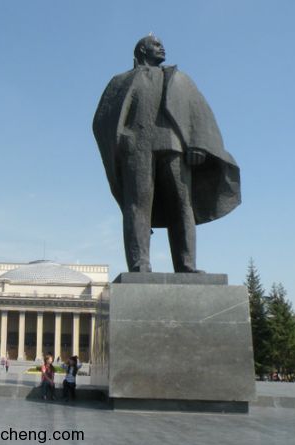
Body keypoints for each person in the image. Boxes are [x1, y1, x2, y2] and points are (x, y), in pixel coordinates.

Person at [93, 35, 240, 273]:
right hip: (136, 149)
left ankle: (186, 264)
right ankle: (140, 263)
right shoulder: (121, 81)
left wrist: (197, 144)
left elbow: (198, 112)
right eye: (156, 44)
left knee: (182, 205)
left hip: (174, 148)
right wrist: (121, 143)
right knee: (137, 205)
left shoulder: (179, 79)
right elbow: (103, 118)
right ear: (142, 50)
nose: (162, 47)